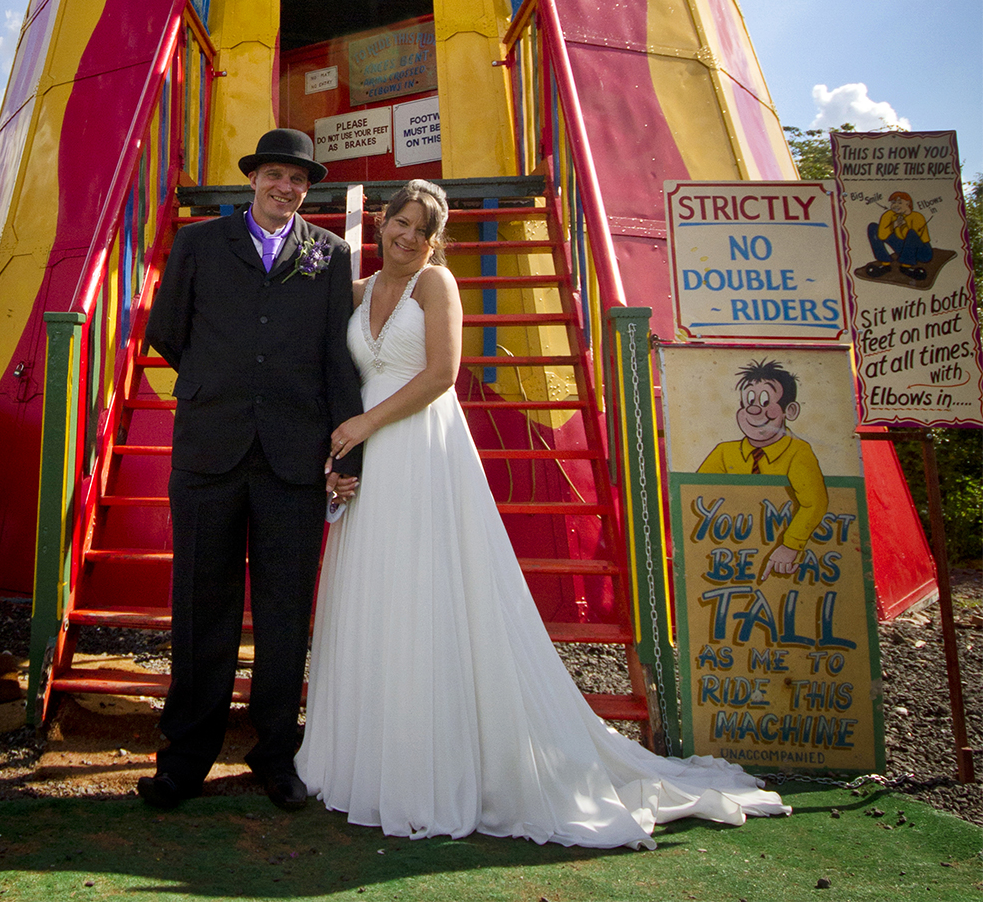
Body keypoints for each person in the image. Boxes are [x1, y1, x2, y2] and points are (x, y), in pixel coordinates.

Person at [295, 180, 789, 849]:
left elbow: (441, 374)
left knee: (425, 589)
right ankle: (364, 754)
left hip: (418, 444)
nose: (407, 237)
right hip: (367, 459)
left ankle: (435, 764)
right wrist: (341, 448)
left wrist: (364, 424)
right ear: (381, 222)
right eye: (400, 223)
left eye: (421, 230)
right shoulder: (359, 291)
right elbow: (333, 368)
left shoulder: (436, 285)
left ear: (436, 240)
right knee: (374, 592)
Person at [139, 129, 363, 811]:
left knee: (284, 613)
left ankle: (275, 756)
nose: (285, 187)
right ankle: (185, 760)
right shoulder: (200, 244)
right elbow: (167, 331)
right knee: (199, 607)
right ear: (254, 179)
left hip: (293, 457)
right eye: (274, 175)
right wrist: (217, 383)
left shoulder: (331, 254)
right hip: (209, 449)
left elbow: (337, 357)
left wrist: (346, 452)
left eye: (297, 180)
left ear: (307, 189)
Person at [697, 359, 828, 581]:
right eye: (749, 401)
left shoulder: (798, 452)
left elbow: (815, 503)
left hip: (777, 557)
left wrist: (790, 546)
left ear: (790, 410)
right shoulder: (723, 453)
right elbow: (696, 499)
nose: (754, 409)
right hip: (730, 557)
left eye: (765, 401)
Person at [864, 191, 932, 281]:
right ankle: (885, 263)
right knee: (873, 227)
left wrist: (904, 226)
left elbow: (915, 238)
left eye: (900, 202)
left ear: (907, 203)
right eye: (893, 202)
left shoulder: (917, 217)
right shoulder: (889, 215)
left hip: (921, 251)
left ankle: (906, 266)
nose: (895, 205)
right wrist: (893, 225)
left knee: (911, 233)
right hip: (903, 247)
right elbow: (882, 236)